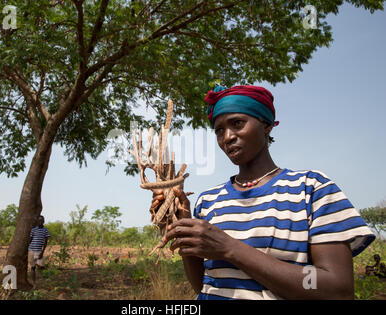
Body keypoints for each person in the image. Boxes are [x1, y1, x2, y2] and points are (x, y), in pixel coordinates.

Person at [153, 84, 376, 300]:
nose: (227, 137)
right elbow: (205, 285)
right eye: (219, 130)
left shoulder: (312, 189)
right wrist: (183, 230)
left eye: (237, 123)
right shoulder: (209, 201)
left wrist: (230, 249)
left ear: (266, 125)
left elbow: (336, 288)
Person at [28, 215, 50, 286]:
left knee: (41, 266)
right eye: (39, 220)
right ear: (37, 221)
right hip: (31, 250)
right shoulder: (33, 230)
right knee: (33, 267)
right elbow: (30, 240)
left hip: (39, 251)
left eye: (41, 220)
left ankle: (46, 279)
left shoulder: (46, 230)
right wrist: (27, 248)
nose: (40, 221)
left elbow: (45, 242)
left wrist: (42, 252)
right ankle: (34, 283)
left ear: (43, 221)